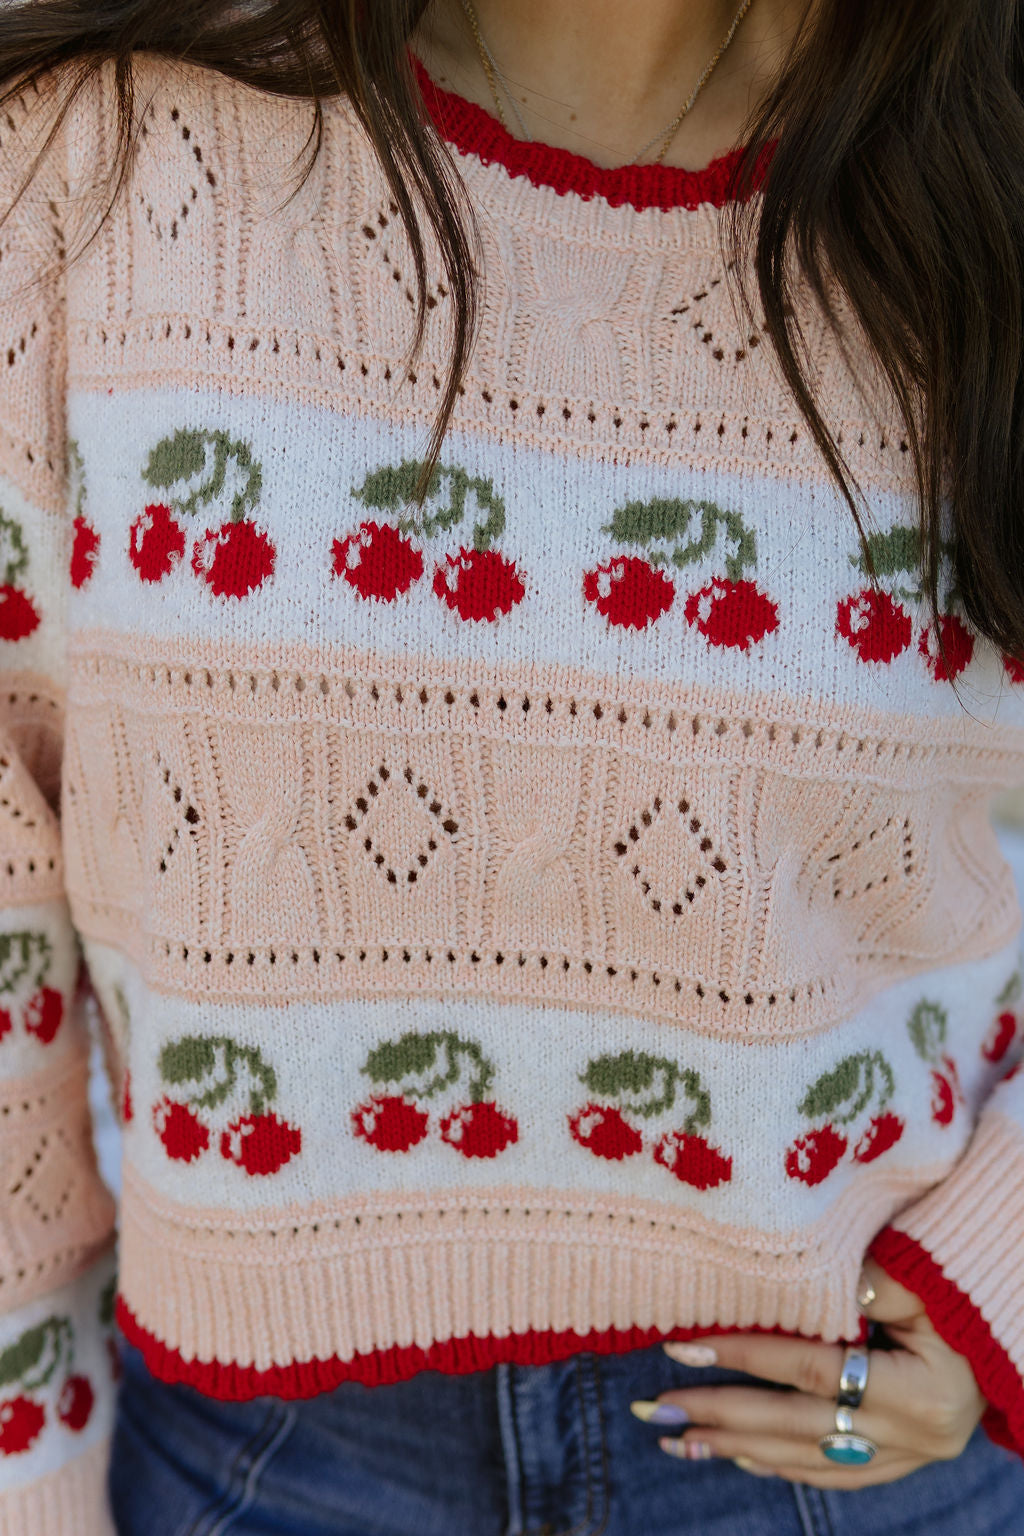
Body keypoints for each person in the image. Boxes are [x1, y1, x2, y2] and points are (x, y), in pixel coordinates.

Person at [0, 0, 1022, 1530]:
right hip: (268, 1467)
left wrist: (1007, 1265)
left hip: (852, 1444)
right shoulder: (106, 157)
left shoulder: (982, 181)